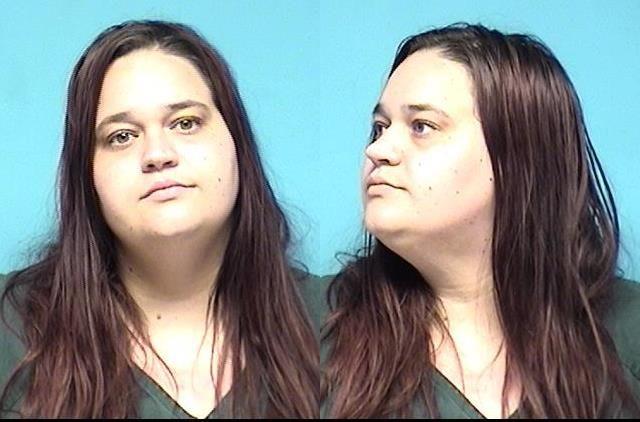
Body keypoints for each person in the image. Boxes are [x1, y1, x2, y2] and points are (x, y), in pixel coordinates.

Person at [0, 20, 320, 418]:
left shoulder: (334, 320)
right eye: (122, 136)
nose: (157, 154)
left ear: (237, 143)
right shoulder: (10, 327)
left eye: (185, 123)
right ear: (87, 174)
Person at [321, 23, 640, 418]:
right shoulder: (320, 324)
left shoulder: (628, 332)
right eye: (379, 128)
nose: (378, 150)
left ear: (520, 157)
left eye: (421, 126)